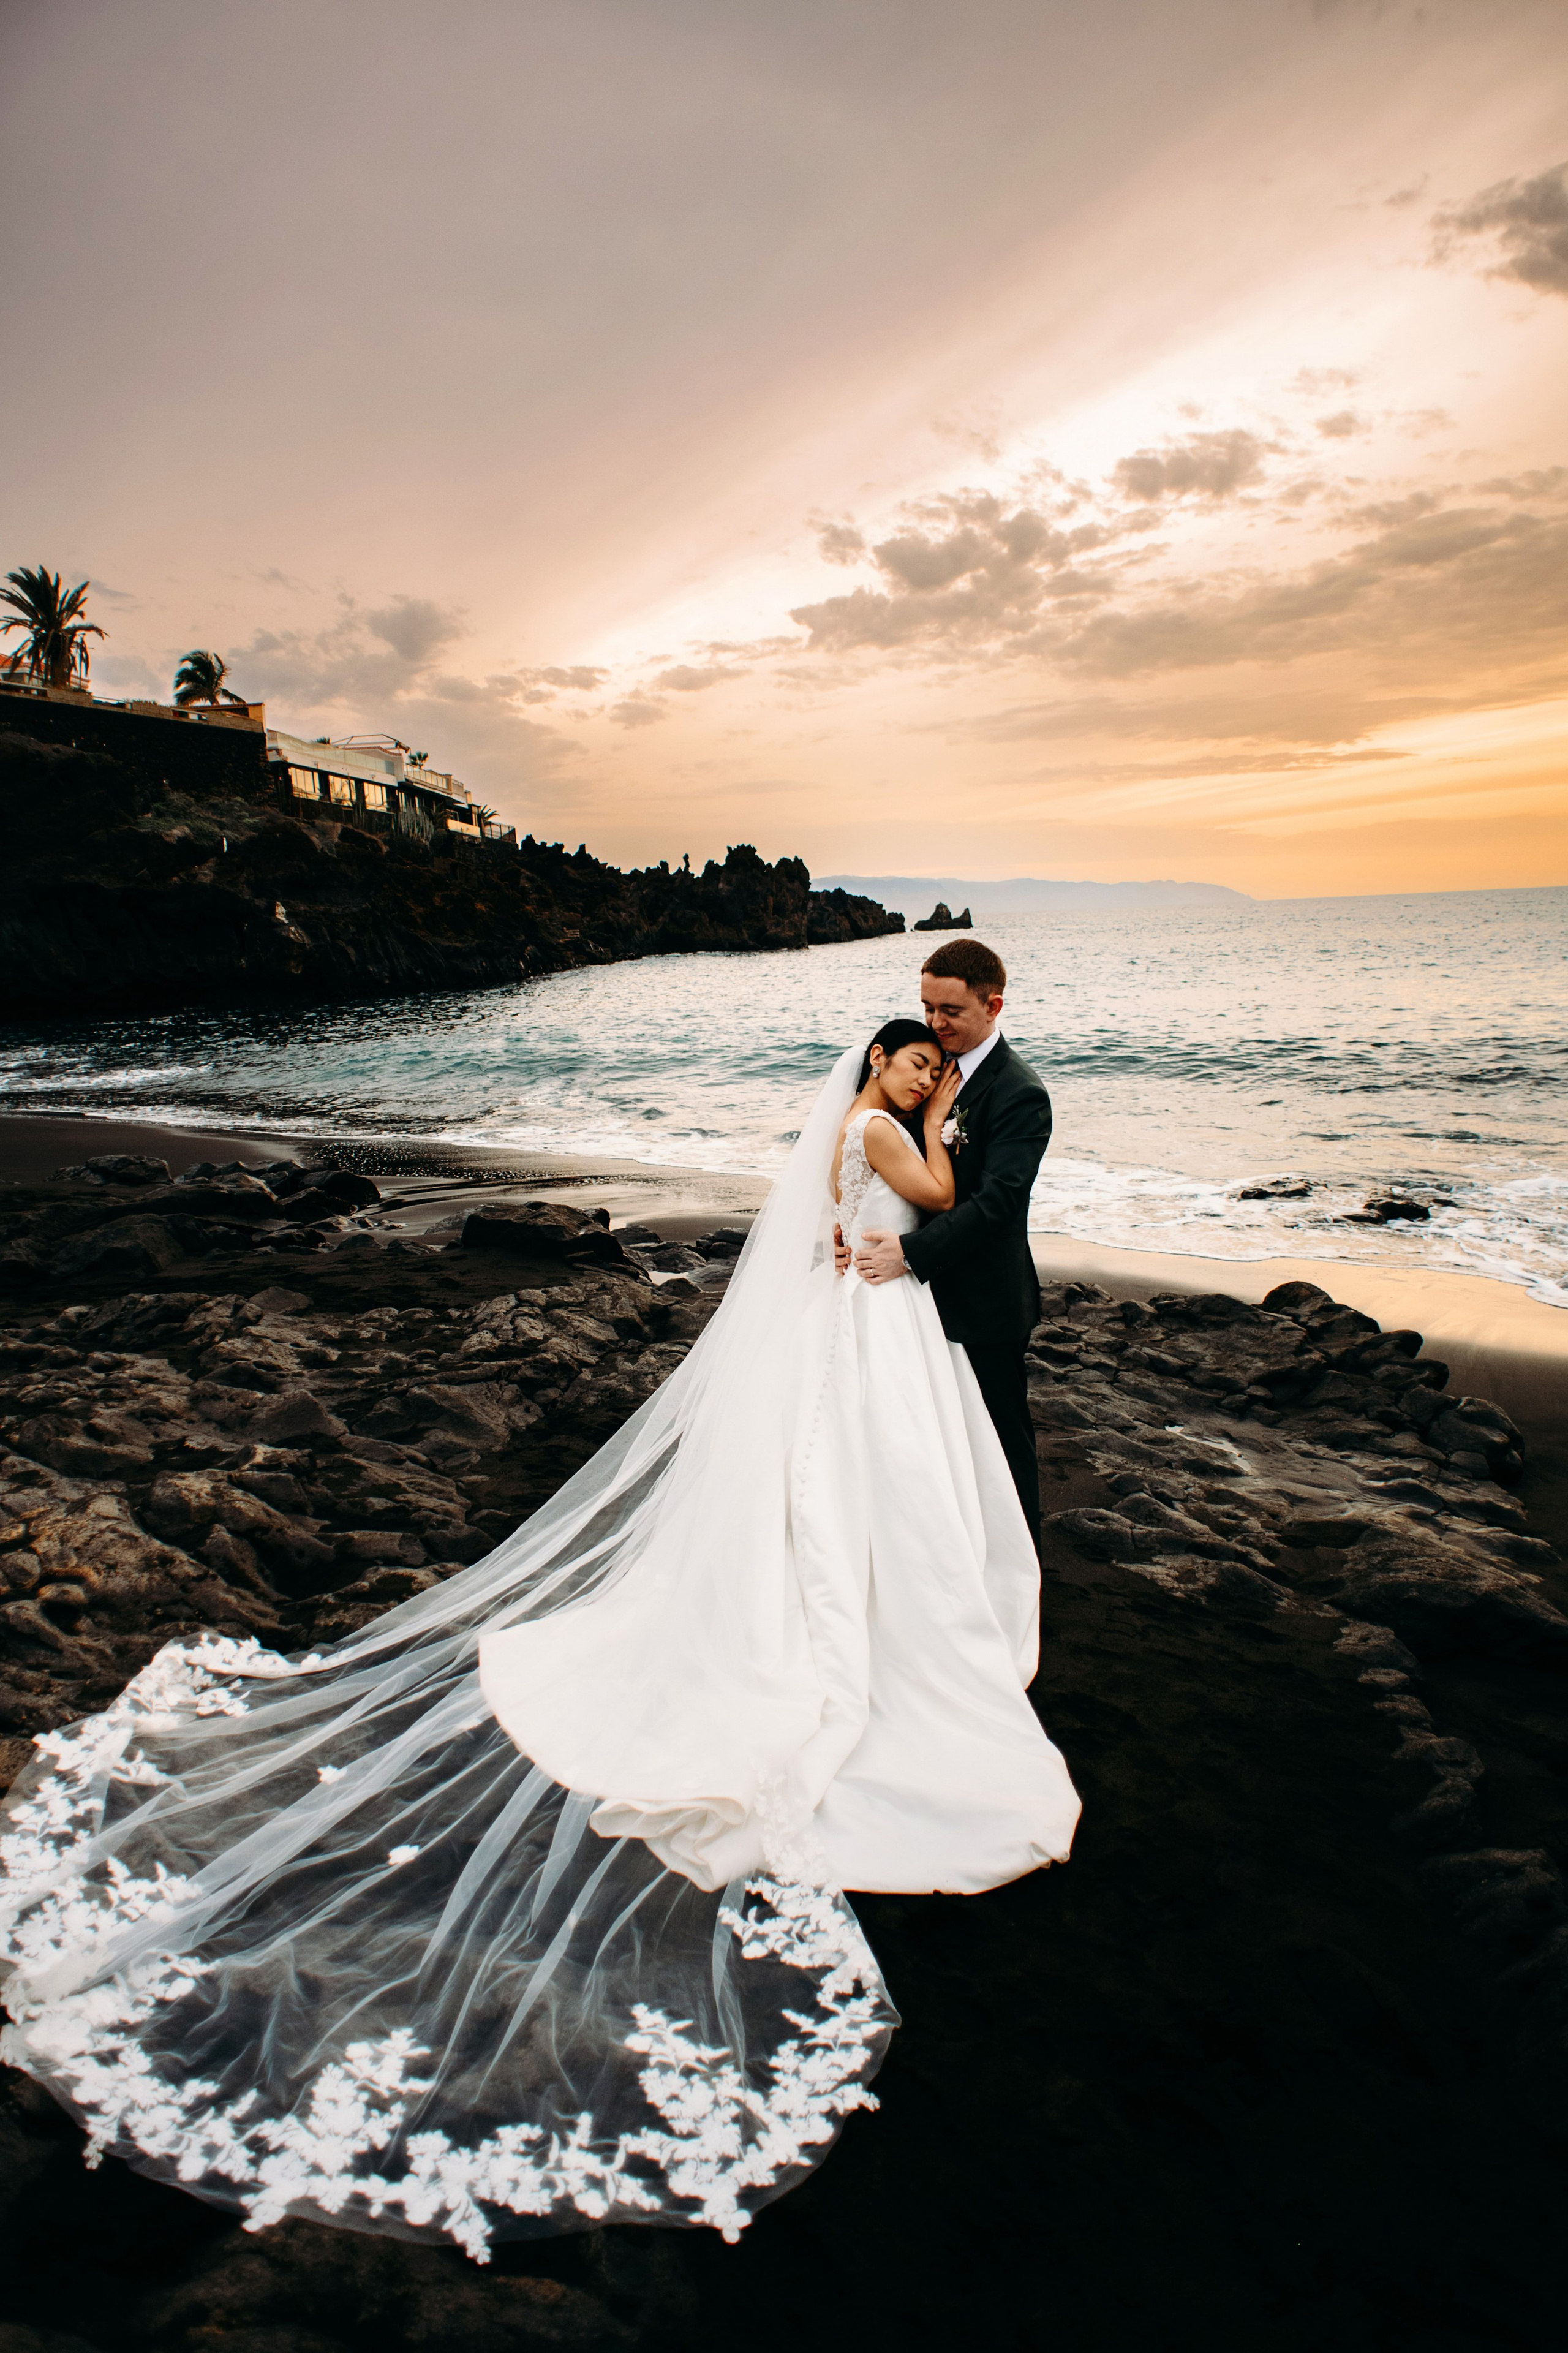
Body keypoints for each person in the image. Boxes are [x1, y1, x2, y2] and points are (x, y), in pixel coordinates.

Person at [0, 1023, 1078, 2262]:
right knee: (846, 1493)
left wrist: (909, 1171)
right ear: (878, 1065)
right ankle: (857, 1624)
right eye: (911, 1058)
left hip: (861, 1313)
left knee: (838, 1486)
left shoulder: (859, 1120)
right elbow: (937, 1192)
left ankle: (858, 1599)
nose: (927, 1073)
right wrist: (932, 1125)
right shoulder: (888, 1124)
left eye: (935, 1063)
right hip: (868, 1316)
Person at [852, 939, 1052, 1554]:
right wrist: (843, 1228)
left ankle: (1021, 1568)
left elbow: (997, 1204)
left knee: (1001, 1444)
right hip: (915, 1303)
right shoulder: (929, 1070)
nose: (935, 1023)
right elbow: (868, 1150)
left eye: (951, 1011)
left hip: (984, 1299)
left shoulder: (1018, 1092)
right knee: (936, 1442)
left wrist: (909, 1253)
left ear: (993, 1006)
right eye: (927, 1007)